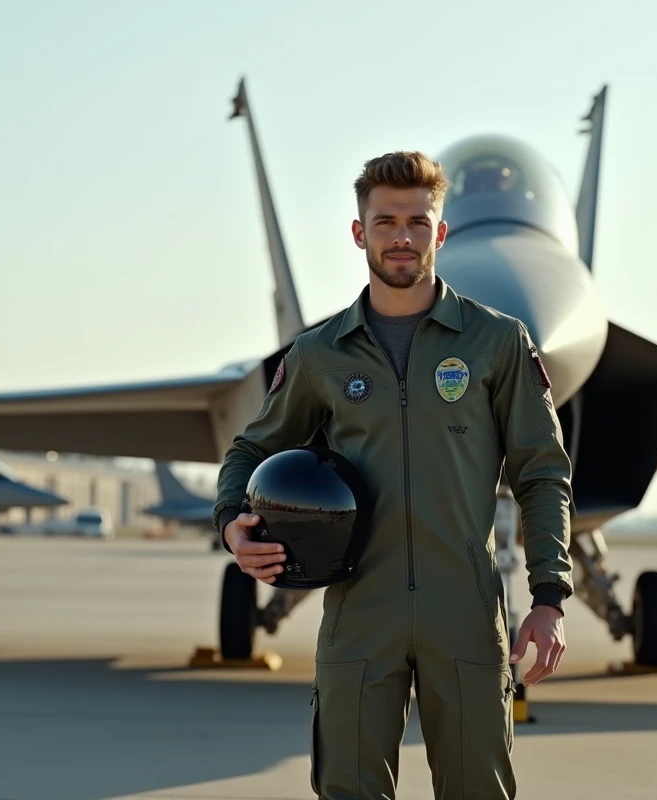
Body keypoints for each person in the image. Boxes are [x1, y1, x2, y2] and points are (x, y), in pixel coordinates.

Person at [211, 151, 574, 799]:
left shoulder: (497, 344)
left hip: (463, 611)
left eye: (416, 221)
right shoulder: (320, 354)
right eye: (385, 222)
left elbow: (542, 473)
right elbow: (249, 449)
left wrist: (549, 598)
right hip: (359, 612)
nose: (401, 236)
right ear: (360, 234)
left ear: (441, 232)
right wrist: (231, 523)